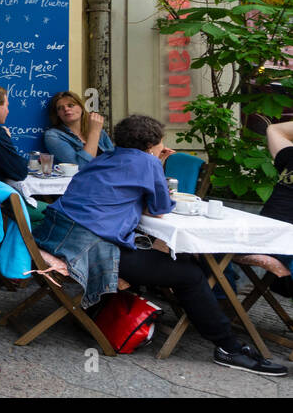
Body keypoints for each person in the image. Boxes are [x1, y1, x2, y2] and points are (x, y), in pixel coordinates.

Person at [34, 114, 286, 376]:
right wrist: (156, 163)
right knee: (189, 274)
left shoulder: (104, 157)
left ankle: (197, 319)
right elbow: (161, 208)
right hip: (91, 249)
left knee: (178, 261)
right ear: (152, 144)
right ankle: (228, 347)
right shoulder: (146, 161)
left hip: (59, 238)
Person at [259, 118, 293, 294]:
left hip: (286, 242)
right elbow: (274, 130)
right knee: (207, 248)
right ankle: (222, 301)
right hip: (264, 235)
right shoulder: (290, 155)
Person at [43, 90, 112, 170]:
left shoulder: (99, 131)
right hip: (84, 180)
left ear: (81, 108)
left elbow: (115, 159)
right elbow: (81, 167)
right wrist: (94, 132)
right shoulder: (53, 136)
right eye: (60, 108)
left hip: (108, 177)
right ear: (57, 114)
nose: (66, 109)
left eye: (71, 105)